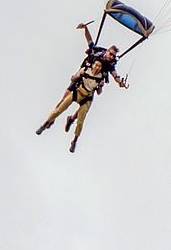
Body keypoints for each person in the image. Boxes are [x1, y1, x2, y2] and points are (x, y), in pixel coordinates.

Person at [36, 21, 128, 153]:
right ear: (107, 51)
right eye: (110, 54)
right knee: (62, 102)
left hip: (90, 87)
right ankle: (50, 121)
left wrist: (120, 82)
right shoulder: (97, 52)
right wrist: (85, 28)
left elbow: (115, 75)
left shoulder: (110, 65)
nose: (111, 57)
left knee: (82, 113)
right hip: (81, 79)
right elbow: (89, 41)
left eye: (113, 56)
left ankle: (71, 121)